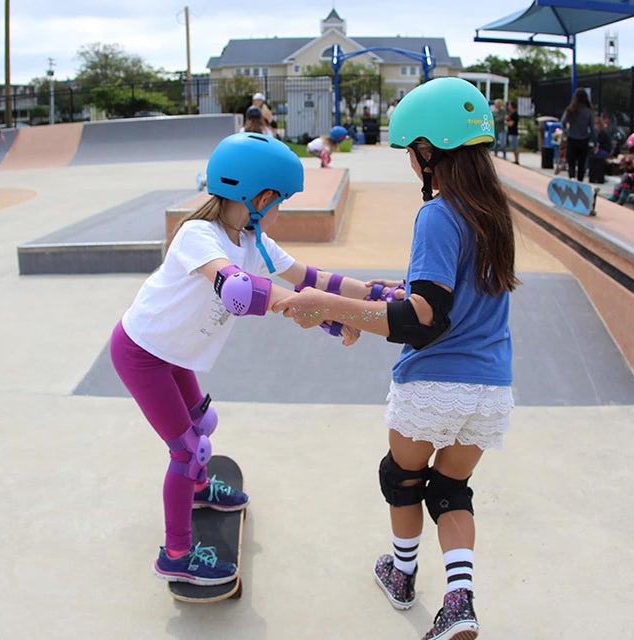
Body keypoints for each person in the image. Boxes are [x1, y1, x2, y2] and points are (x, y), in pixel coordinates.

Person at [275, 77, 519, 640]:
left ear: (429, 151)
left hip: (434, 386)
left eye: (412, 152)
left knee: (402, 479)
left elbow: (424, 317)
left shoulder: (438, 214)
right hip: (492, 390)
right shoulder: (494, 214)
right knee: (451, 490)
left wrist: (328, 305)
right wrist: (393, 291)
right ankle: (460, 600)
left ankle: (402, 578)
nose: (412, 162)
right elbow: (445, 297)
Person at [111, 131, 389, 586]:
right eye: (281, 200)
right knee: (186, 449)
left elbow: (310, 278)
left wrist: (377, 295)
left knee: (203, 425)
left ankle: (199, 491)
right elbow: (238, 291)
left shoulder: (253, 238)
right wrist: (320, 312)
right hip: (143, 352)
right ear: (260, 196)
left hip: (177, 353)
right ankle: (177, 554)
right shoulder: (198, 235)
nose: (281, 209)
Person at [560, 88, 595, 181]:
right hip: (583, 140)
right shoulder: (588, 111)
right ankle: (580, 180)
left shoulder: (571, 110)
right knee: (581, 163)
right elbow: (592, 128)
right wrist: (593, 140)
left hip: (572, 138)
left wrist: (566, 132)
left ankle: (571, 178)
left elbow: (563, 122)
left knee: (571, 162)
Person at [505, 100, 519, 164]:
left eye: (509, 105)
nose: (508, 107)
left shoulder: (514, 114)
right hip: (511, 132)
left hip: (513, 133)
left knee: (514, 147)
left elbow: (511, 124)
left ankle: (517, 160)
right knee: (513, 147)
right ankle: (516, 159)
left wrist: (505, 122)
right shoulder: (511, 114)